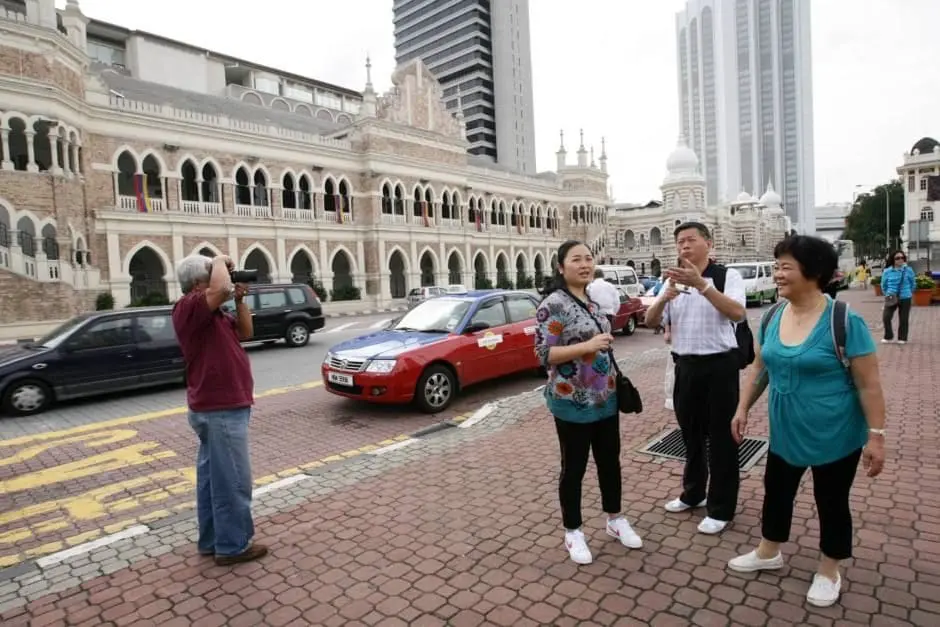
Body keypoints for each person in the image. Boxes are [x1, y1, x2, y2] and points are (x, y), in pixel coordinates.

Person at [728, 235, 886, 608]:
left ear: (814, 273)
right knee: (777, 492)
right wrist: (742, 407)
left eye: (785, 267)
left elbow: (870, 385)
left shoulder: (844, 320)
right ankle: (769, 551)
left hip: (836, 433)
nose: (777, 274)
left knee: (831, 500)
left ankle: (830, 568)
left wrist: (876, 437)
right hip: (785, 429)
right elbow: (760, 366)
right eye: (777, 265)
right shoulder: (772, 315)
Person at [534, 240, 642, 565]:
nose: (584, 264)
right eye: (576, 259)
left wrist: (597, 345)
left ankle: (615, 518)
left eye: (588, 258)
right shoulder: (552, 305)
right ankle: (573, 531)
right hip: (571, 400)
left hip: (605, 397)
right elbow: (544, 353)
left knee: (610, 461)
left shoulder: (592, 303)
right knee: (574, 468)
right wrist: (588, 346)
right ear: (560, 267)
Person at [644, 222, 747, 535]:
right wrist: (664, 298)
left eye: (690, 240)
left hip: (720, 368)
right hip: (685, 367)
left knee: (722, 440)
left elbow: (738, 313)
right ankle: (693, 494)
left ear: (708, 243)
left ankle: (721, 508)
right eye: (679, 242)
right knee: (690, 435)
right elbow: (650, 321)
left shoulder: (727, 276)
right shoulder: (673, 279)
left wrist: (702, 285)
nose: (684, 246)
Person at [172, 253, 267, 566]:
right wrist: (218, 259)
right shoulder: (188, 307)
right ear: (200, 281)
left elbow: (246, 332)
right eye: (216, 274)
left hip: (220, 408)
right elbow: (221, 289)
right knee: (235, 481)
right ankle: (233, 545)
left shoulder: (214, 314)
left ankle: (213, 540)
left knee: (214, 480)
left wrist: (240, 301)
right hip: (220, 409)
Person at [880, 250, 915, 344]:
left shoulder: (908, 270)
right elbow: (883, 285)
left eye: (902, 258)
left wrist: (908, 293)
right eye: (897, 258)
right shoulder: (887, 271)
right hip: (891, 297)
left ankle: (902, 338)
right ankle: (888, 336)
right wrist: (888, 293)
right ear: (893, 259)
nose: (900, 260)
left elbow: (913, 284)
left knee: (904, 319)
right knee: (886, 317)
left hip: (905, 297)